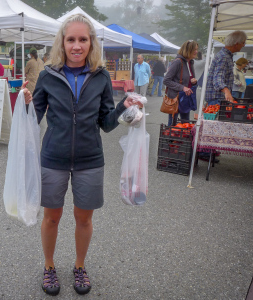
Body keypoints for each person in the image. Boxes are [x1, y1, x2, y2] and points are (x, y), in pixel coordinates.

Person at [21, 13, 142, 296]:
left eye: (83, 39)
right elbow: (32, 120)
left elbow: (107, 123)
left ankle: (79, 265)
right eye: (71, 39)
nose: (77, 45)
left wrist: (126, 107)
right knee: (51, 217)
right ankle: (49, 266)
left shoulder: (101, 76)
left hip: (90, 159)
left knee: (84, 219)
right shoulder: (48, 75)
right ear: (62, 43)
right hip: (54, 158)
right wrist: (25, 104)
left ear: (91, 43)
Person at [205, 30, 247, 105]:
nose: (244, 45)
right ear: (236, 44)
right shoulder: (224, 57)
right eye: (243, 43)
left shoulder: (225, 55)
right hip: (217, 98)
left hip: (217, 98)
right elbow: (218, 78)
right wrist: (226, 91)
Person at [163, 40, 198, 126]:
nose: (196, 52)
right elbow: (166, 80)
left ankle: (182, 139)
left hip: (186, 98)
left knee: (185, 124)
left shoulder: (191, 62)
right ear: (188, 50)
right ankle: (170, 139)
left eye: (197, 49)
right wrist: (182, 87)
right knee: (173, 124)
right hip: (176, 99)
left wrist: (193, 82)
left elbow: (187, 79)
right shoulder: (178, 62)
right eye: (194, 49)